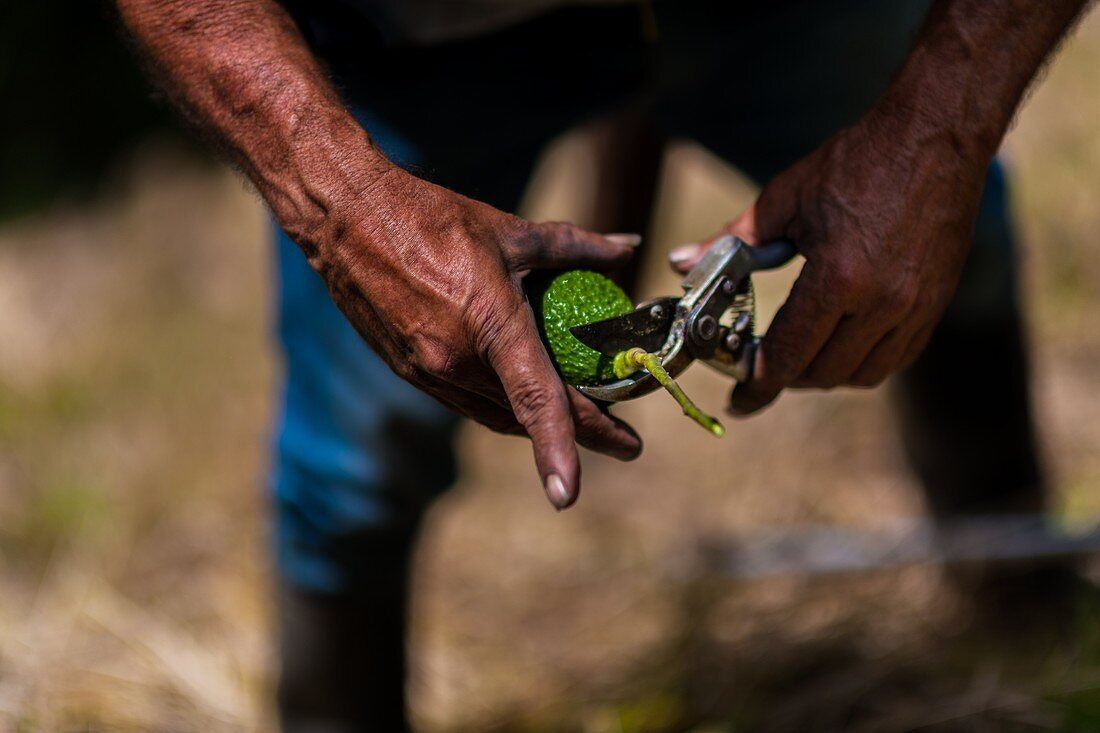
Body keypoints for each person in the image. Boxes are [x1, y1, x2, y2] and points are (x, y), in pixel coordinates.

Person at [116, 0, 1090, 729]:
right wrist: (342, 202)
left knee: (951, 258)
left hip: (787, 7)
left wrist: (940, 128)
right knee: (359, 454)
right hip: (413, 44)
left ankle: (1024, 618)